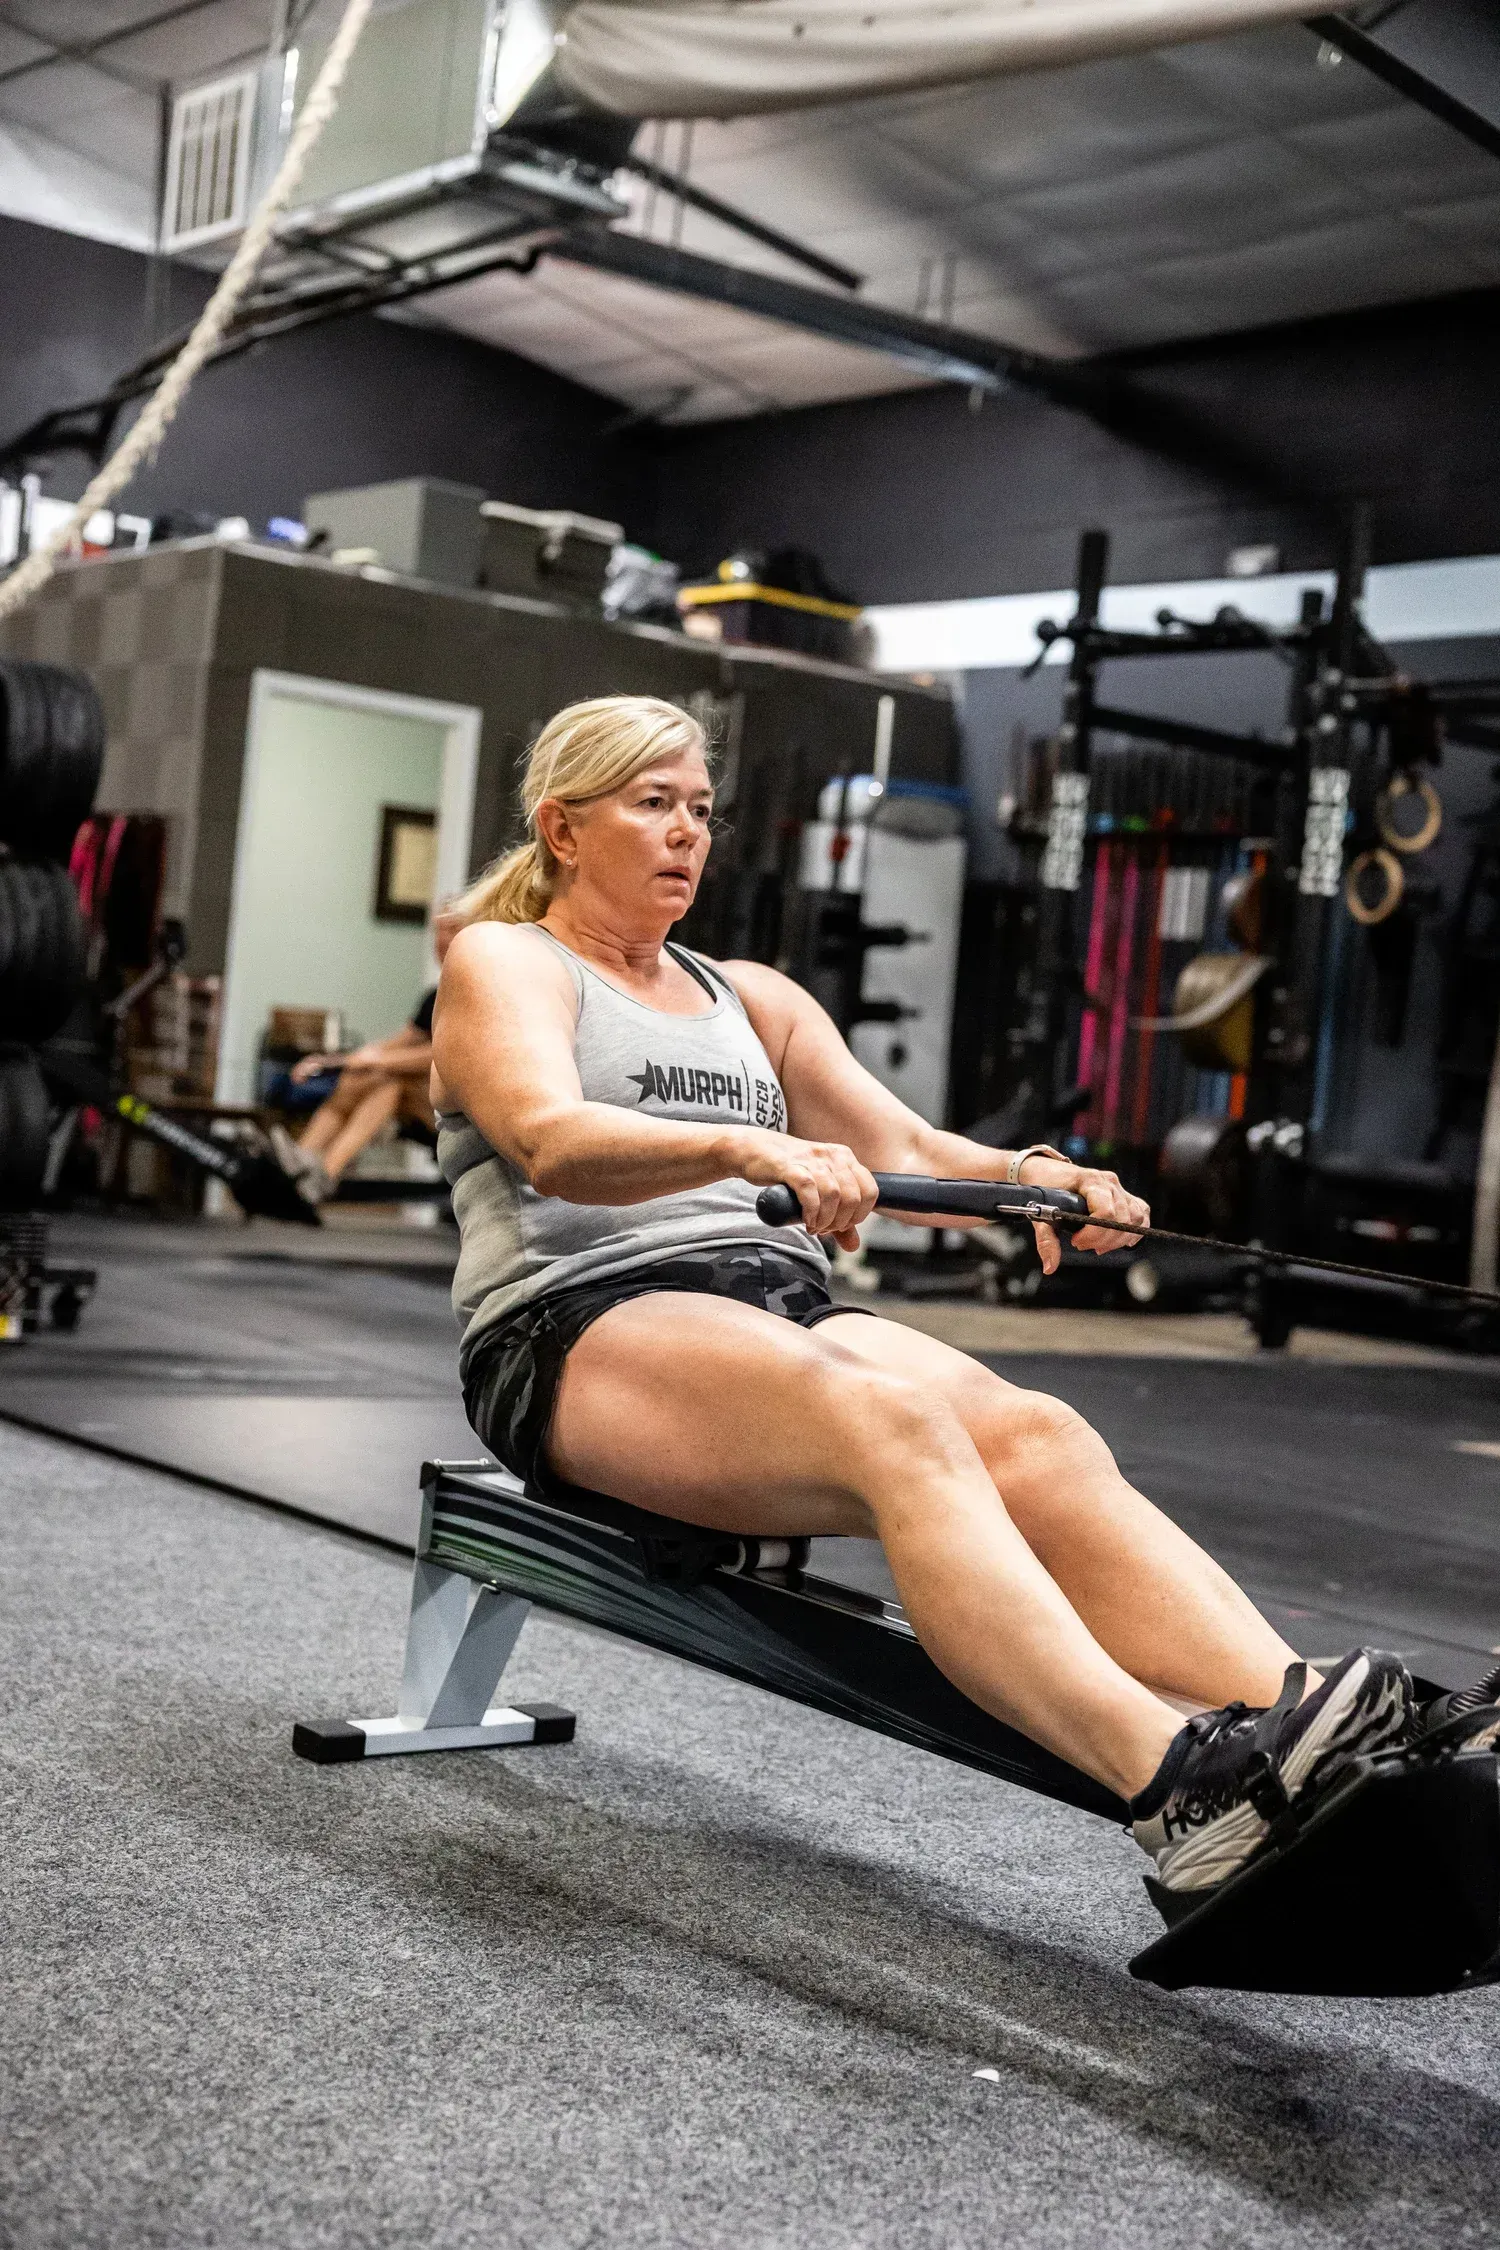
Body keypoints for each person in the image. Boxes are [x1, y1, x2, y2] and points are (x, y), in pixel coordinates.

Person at [431, 695, 1415, 1897]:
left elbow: (910, 1147)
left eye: (700, 809)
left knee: (1037, 1434)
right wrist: (749, 1152)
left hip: (772, 1308)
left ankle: (1313, 1730)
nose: (688, 833)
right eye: (653, 806)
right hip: (577, 1321)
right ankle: (1178, 1786)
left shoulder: (754, 998)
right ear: (564, 829)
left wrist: (1039, 1178)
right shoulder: (508, 960)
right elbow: (548, 1138)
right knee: (891, 1426)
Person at [272, 916, 458, 1206]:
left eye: (454, 929)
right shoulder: (434, 996)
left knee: (392, 1080)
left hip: (464, 1112)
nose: (442, 940)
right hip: (428, 1104)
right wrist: (331, 1062)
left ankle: (321, 1175)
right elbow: (394, 1045)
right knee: (364, 1079)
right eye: (439, 931)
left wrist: (378, 1063)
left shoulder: (473, 992)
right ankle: (299, 1167)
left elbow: (441, 1055)